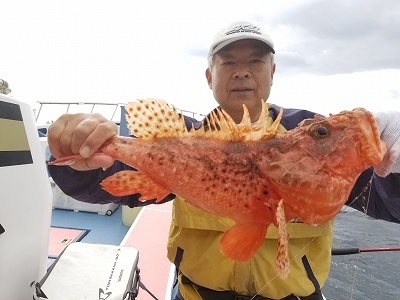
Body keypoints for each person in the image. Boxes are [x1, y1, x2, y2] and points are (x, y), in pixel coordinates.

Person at [47, 21, 400, 300]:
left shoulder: (307, 134)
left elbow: (388, 200)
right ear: (209, 77)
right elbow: (108, 182)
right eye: (228, 62)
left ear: (272, 72)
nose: (242, 72)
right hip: (194, 295)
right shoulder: (184, 136)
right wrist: (80, 156)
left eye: (255, 62)